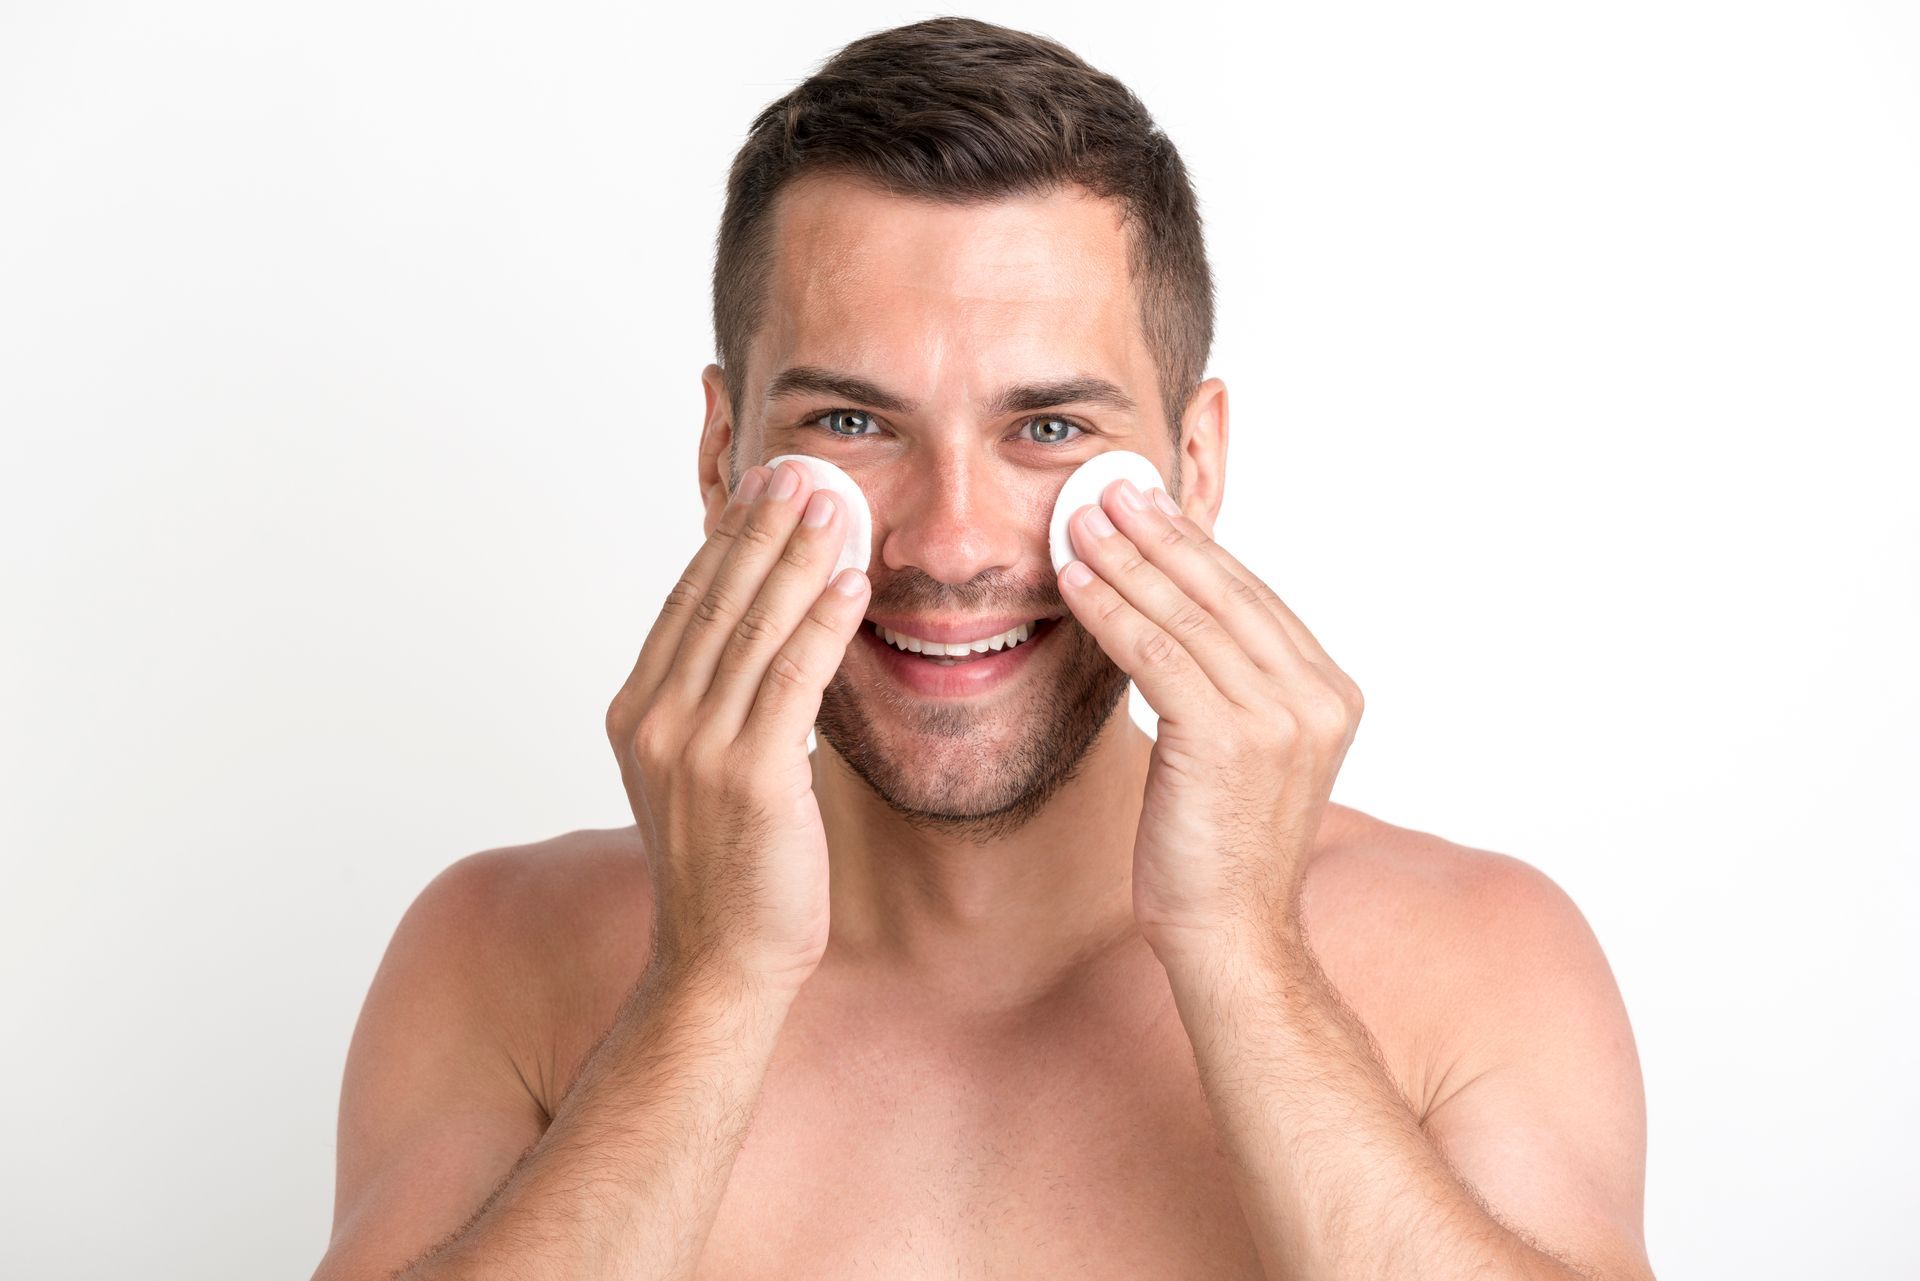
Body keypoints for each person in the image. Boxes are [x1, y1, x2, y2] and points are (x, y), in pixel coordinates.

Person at [312, 17, 1653, 1281]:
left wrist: (1242, 950)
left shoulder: (1477, 955)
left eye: (1051, 429)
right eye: (852, 421)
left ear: (1196, 461)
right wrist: (707, 979)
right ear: (725, 456)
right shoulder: (496, 955)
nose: (950, 542)